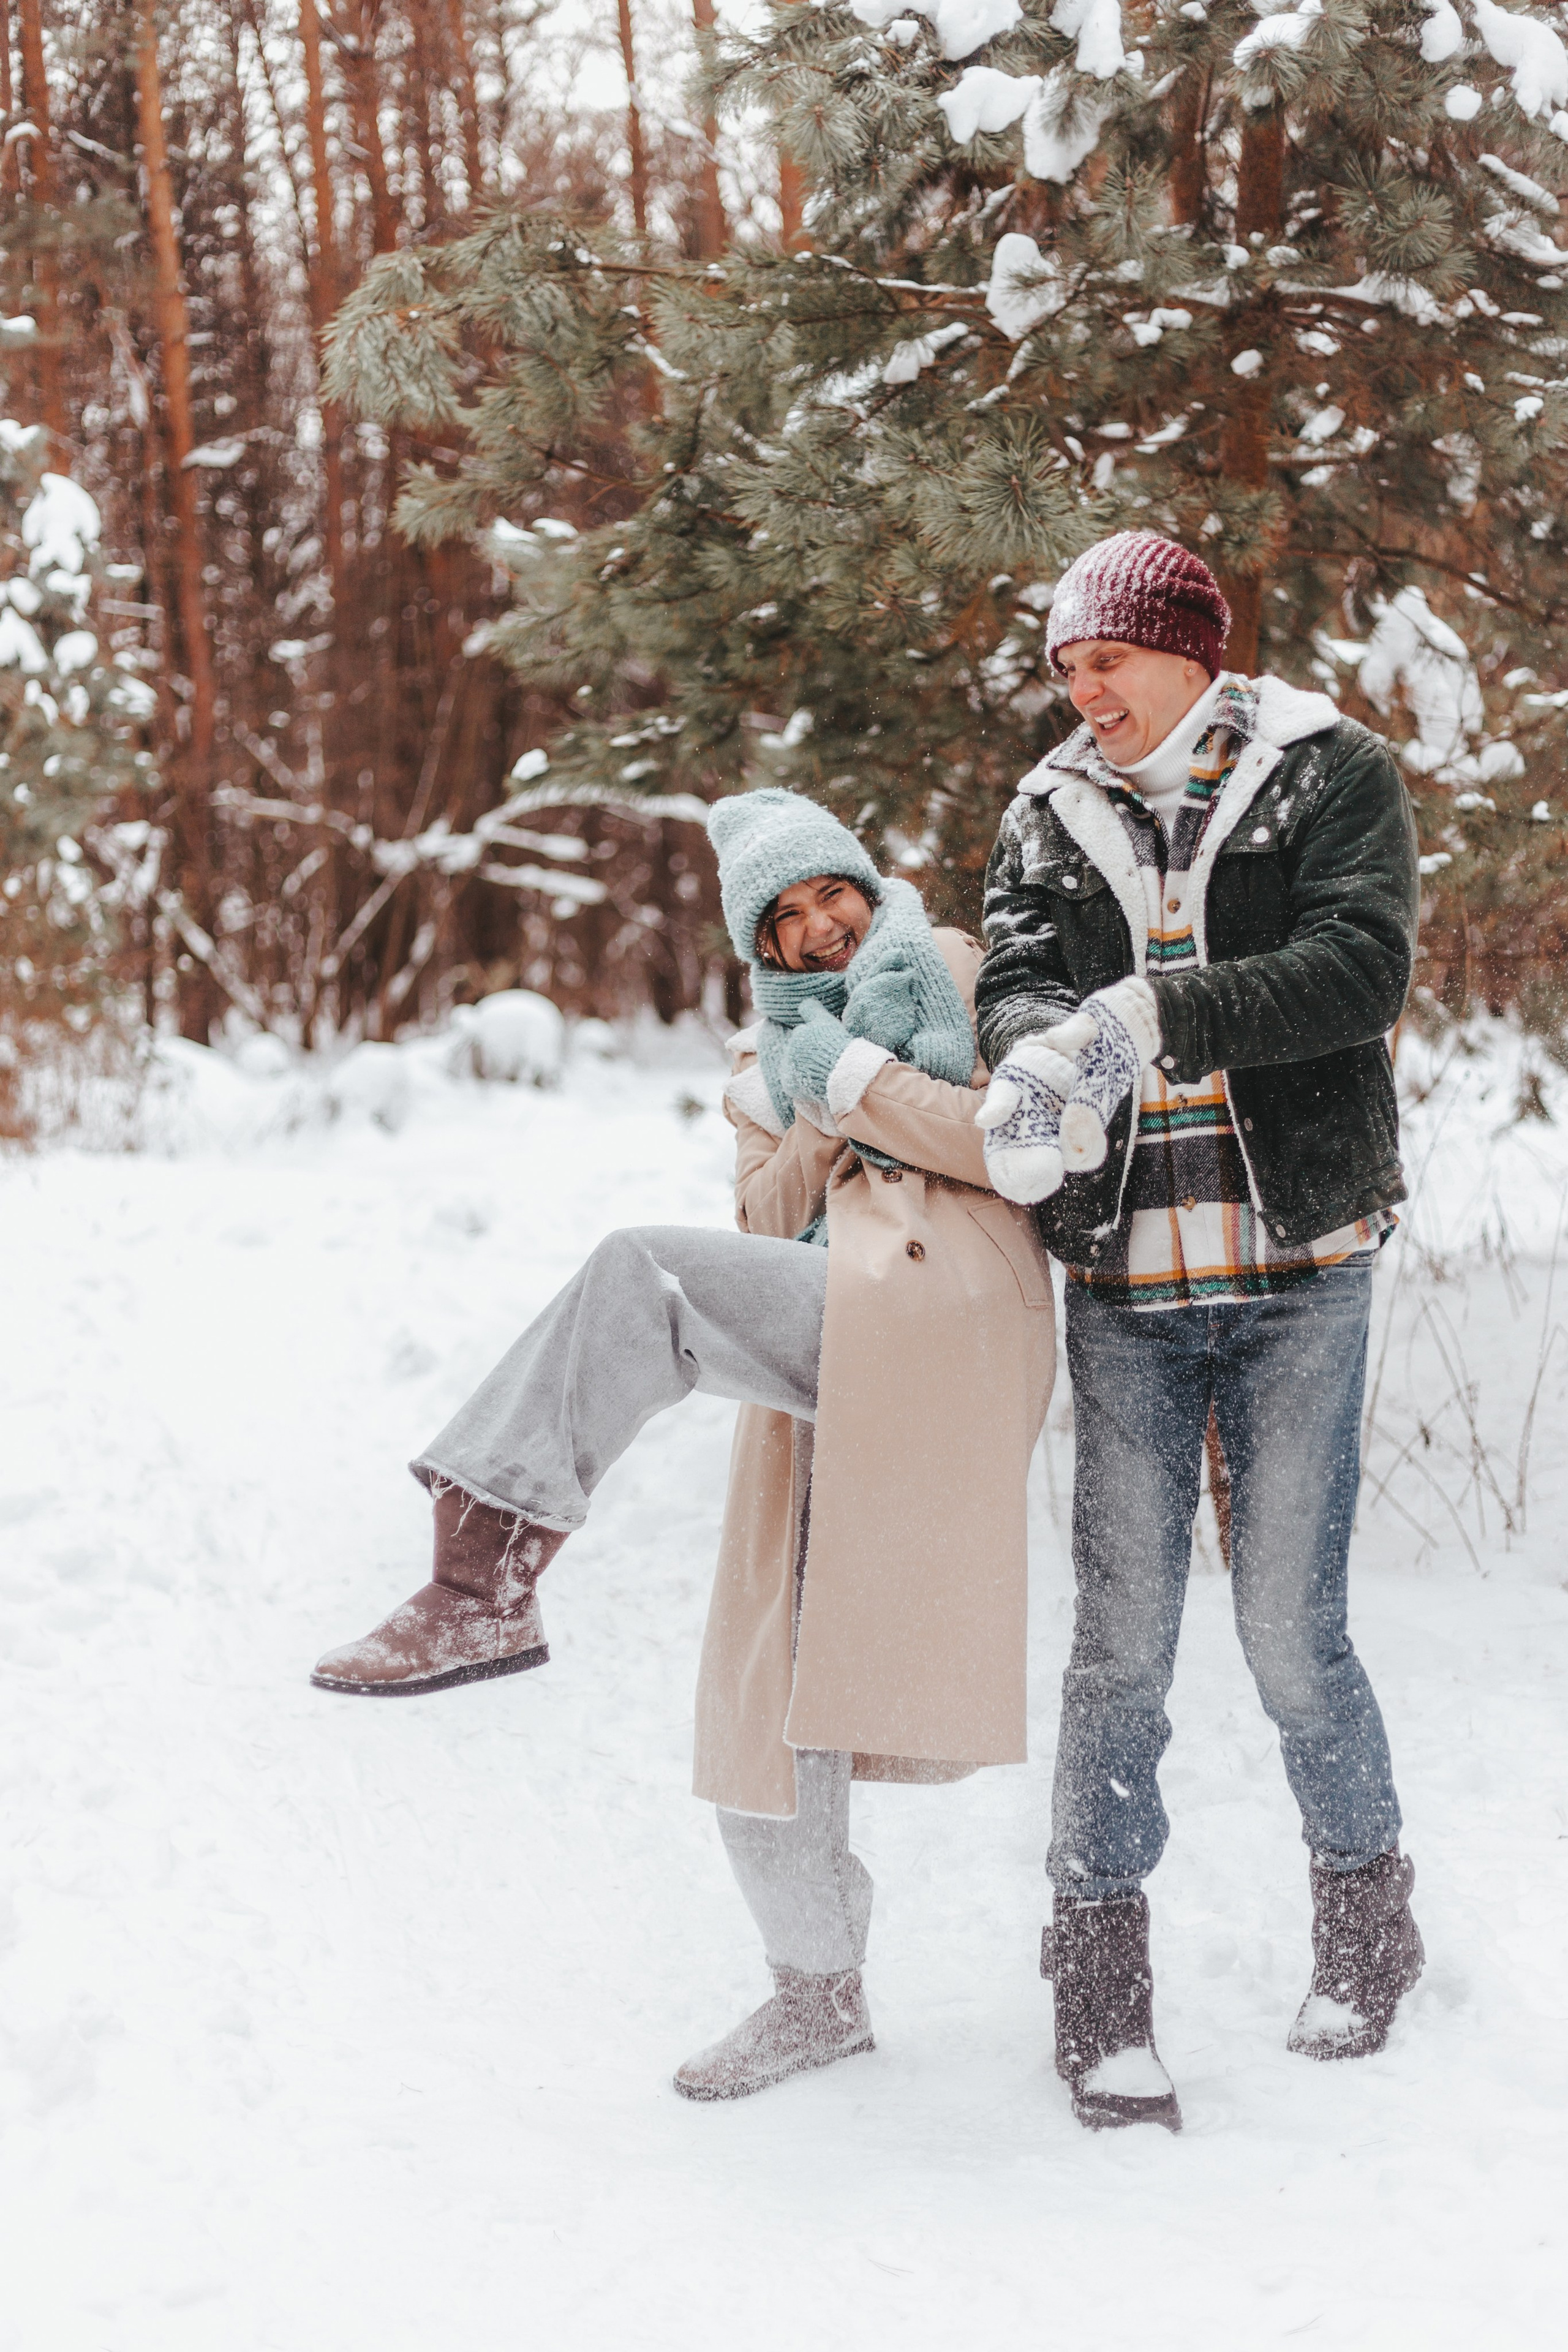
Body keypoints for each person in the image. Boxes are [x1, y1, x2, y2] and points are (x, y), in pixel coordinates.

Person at [312, 787, 1055, 2101]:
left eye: (831, 894)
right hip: (826, 1332)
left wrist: (854, 1076)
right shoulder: (761, 1060)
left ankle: (480, 1575)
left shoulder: (951, 968)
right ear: (760, 946)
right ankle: (815, 1995)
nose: (818, 928)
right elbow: (766, 1221)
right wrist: (808, 1092)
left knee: (641, 1274)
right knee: (766, 1695)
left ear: (867, 886)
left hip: (946, 1312)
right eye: (784, 920)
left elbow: (1011, 1149)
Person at [974, 530, 1424, 2136]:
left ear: (1184, 651)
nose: (1080, 693)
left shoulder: (1326, 773)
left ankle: (1368, 1924)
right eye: (1064, 670)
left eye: (1102, 660)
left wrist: (1155, 1014)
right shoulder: (1045, 810)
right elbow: (1011, 974)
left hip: (1301, 1265)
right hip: (1125, 1289)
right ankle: (1097, 1985)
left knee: (1293, 1633)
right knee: (1119, 1648)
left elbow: (1359, 970)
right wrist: (1043, 1052)